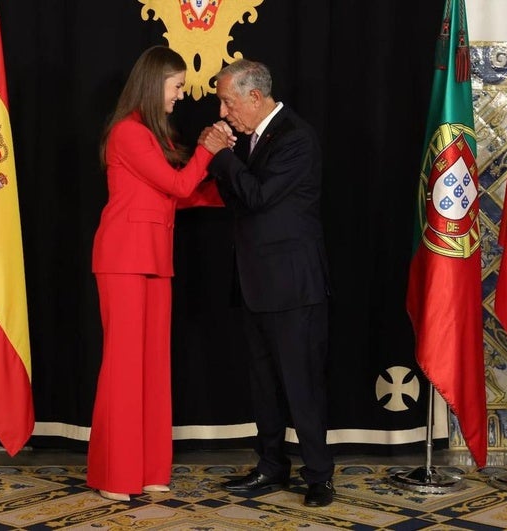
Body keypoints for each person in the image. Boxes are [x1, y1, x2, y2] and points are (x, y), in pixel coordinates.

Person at [87, 45, 233, 502]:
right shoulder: (129, 134)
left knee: (152, 367)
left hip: (153, 259)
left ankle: (149, 469)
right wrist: (208, 150)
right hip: (123, 260)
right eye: (176, 88)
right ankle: (115, 475)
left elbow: (178, 197)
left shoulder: (155, 135)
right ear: (155, 84)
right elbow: (176, 184)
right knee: (124, 368)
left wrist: (235, 195)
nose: (179, 98)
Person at [204, 59, 335, 508]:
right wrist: (225, 160)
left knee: (302, 385)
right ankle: (271, 466)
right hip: (255, 281)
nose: (223, 112)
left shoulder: (295, 137)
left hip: (293, 286)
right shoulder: (255, 139)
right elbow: (238, 200)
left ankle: (319, 476)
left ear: (254, 97)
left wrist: (220, 155)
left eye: (227, 100)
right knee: (263, 384)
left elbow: (258, 197)